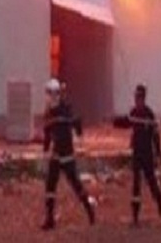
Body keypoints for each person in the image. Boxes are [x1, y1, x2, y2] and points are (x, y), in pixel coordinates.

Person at [41, 78, 96, 230]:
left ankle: (89, 209)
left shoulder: (65, 110)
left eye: (53, 94)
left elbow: (76, 123)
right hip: (56, 155)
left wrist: (78, 132)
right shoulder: (50, 113)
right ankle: (50, 219)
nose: (51, 97)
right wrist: (46, 150)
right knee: (50, 187)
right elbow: (47, 133)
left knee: (76, 184)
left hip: (67, 155)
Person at [113, 83, 161, 226]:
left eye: (139, 97)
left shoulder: (149, 114)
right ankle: (135, 216)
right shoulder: (134, 112)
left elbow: (155, 134)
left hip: (147, 153)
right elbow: (126, 122)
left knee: (151, 180)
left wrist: (158, 152)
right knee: (136, 184)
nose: (137, 100)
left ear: (143, 98)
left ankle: (159, 203)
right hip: (137, 153)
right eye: (136, 97)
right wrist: (115, 121)